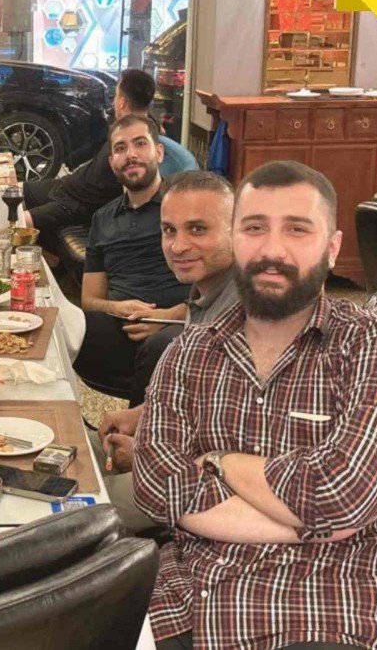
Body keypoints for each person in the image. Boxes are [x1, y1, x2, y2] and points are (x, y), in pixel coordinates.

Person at [134, 160, 377, 649]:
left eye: (297, 229)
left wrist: (218, 462)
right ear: (235, 238)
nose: (272, 250)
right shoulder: (189, 350)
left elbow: (339, 493)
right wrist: (312, 526)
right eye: (255, 228)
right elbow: (156, 483)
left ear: (332, 248)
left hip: (322, 614)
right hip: (183, 604)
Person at [92, 171, 238, 532]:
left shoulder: (252, 311)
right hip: (177, 457)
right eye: (170, 230)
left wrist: (144, 453)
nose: (177, 246)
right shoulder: (208, 293)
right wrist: (141, 414)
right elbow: (199, 394)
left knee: (71, 513)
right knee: (66, 452)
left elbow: (234, 439)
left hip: (209, 493)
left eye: (198, 230)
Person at [72, 113, 188, 396]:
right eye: (120, 148)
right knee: (67, 326)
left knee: (160, 347)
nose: (130, 155)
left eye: (140, 144)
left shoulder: (184, 205)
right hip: (121, 325)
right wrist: (116, 308)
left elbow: (220, 285)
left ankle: (137, 431)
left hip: (179, 321)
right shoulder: (102, 218)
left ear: (158, 153)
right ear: (111, 161)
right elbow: (90, 299)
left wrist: (168, 316)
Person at [21, 69, 156, 251]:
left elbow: (110, 192)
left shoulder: (125, 138)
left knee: (18, 221)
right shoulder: (140, 128)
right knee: (17, 191)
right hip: (69, 187)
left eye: (116, 96)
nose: (114, 102)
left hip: (79, 204)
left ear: (122, 102)